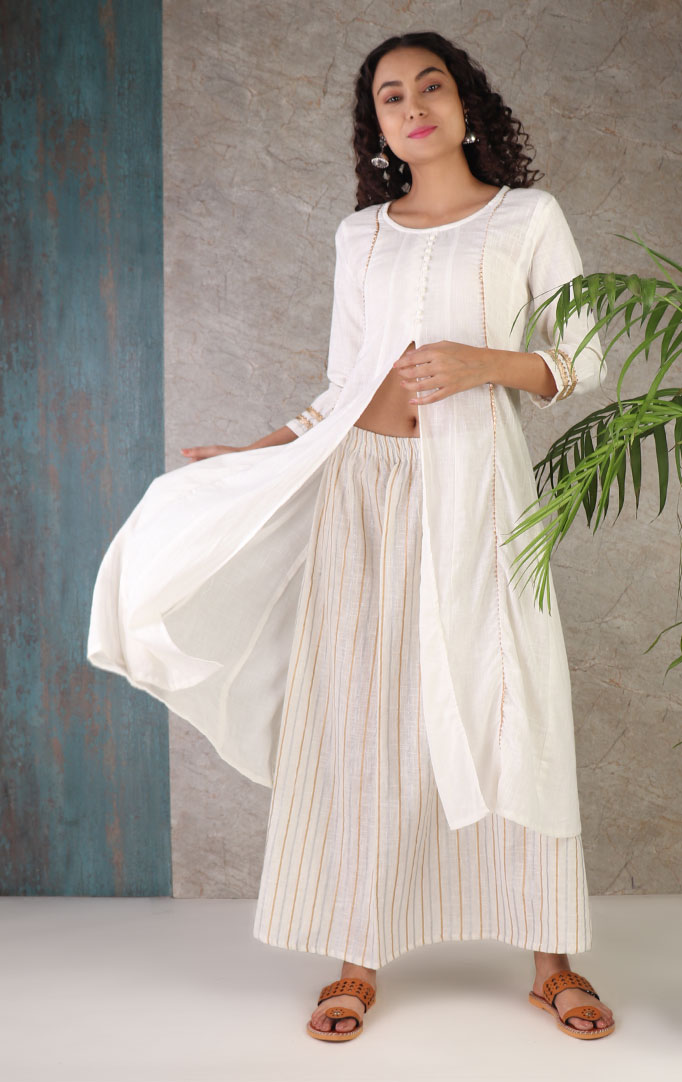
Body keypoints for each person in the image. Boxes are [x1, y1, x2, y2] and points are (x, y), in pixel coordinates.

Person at [88, 31, 615, 1043]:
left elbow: (580, 357)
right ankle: (355, 957)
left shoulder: (527, 218)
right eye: (390, 96)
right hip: (359, 490)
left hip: (478, 492)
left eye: (430, 85)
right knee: (361, 716)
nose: (413, 105)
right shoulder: (361, 235)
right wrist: (254, 452)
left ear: (466, 102)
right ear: (376, 127)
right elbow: (342, 385)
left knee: (513, 701)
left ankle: (552, 960)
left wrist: (482, 364)